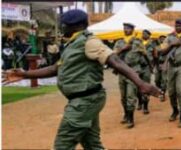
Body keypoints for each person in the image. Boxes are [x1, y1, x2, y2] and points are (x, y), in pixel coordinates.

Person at [3, 9, 161, 149]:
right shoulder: (73, 44)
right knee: (92, 144)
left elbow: (115, 61)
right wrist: (24, 74)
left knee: (62, 144)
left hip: (84, 101)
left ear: (76, 26)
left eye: (63, 25)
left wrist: (140, 83)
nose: (61, 28)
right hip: (85, 100)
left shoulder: (89, 41)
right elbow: (55, 68)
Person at [113, 23, 151, 128]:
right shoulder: (119, 42)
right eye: (124, 28)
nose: (126, 30)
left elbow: (144, 54)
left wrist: (149, 66)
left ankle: (131, 118)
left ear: (133, 30)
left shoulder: (138, 42)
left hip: (134, 70)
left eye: (128, 28)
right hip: (122, 71)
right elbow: (113, 55)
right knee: (123, 96)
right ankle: (125, 114)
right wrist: (124, 49)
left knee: (131, 95)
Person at [136, 29, 156, 114]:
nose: (143, 35)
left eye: (145, 34)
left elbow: (155, 56)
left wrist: (152, 67)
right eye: (142, 33)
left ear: (149, 35)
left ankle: (145, 106)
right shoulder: (138, 43)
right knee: (137, 86)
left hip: (147, 68)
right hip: (138, 67)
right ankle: (140, 101)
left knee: (146, 87)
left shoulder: (152, 44)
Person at [154, 35, 168, 102]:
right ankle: (159, 91)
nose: (162, 39)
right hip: (158, 64)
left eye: (164, 38)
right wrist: (157, 66)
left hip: (165, 65)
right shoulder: (157, 47)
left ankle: (163, 94)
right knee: (157, 80)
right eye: (161, 38)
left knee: (164, 81)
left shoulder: (168, 47)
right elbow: (155, 57)